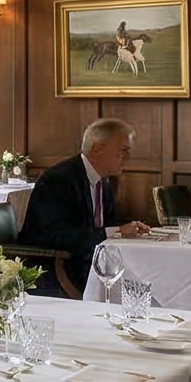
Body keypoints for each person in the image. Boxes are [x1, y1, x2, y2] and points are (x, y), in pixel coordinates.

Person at [19, 117, 151, 293]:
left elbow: (104, 225)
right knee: (140, 284)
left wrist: (127, 229)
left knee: (149, 277)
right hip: (59, 266)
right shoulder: (59, 180)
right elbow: (54, 235)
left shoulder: (105, 181)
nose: (128, 157)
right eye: (123, 151)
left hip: (91, 260)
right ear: (98, 148)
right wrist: (116, 231)